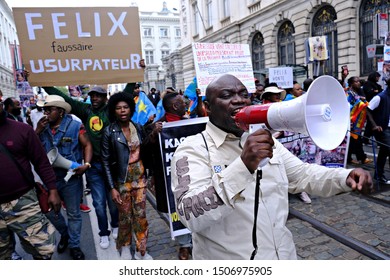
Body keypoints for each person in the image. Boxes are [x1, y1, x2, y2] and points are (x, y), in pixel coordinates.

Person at [170, 74, 373, 260]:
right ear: (207, 107)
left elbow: (303, 175)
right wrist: (243, 167)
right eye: (226, 95)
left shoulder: (266, 141)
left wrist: (345, 177)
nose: (239, 100)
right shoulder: (192, 150)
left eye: (244, 94)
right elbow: (190, 216)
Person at [43, 85, 120, 249]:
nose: (95, 99)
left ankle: (115, 224)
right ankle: (103, 233)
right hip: (93, 166)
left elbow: (125, 96)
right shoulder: (85, 110)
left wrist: (134, 79)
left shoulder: (111, 111)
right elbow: (65, 99)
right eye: (92, 96)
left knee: (113, 202)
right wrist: (44, 84)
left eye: (98, 96)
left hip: (111, 164)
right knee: (98, 203)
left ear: (105, 97)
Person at [0, 99, 61, 260]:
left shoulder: (22, 130)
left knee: (43, 250)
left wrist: (52, 190)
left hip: (24, 201)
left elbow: (41, 162)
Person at [35, 95, 93, 260]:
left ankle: (74, 245)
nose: (45, 113)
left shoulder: (75, 126)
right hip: (49, 177)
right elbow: (32, 147)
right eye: (44, 109)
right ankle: (65, 234)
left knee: (74, 213)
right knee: (50, 211)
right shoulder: (42, 127)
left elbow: (87, 144)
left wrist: (86, 164)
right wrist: (37, 132)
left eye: (49, 110)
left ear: (60, 111)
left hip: (71, 177)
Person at [101, 92, 153, 260]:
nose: (122, 111)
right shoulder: (109, 131)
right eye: (118, 108)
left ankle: (141, 250)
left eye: (125, 107)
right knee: (124, 218)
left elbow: (145, 150)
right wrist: (112, 187)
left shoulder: (137, 127)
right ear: (113, 110)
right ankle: (124, 247)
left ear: (131, 109)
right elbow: (106, 161)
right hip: (122, 181)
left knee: (140, 216)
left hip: (140, 179)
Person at [145, 91, 194, 260]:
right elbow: (144, 152)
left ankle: (199, 240)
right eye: (182, 102)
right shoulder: (156, 126)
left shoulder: (190, 123)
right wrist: (153, 135)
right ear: (175, 106)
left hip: (193, 176)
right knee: (177, 210)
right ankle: (184, 245)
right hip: (169, 179)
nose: (186, 105)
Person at [366, 76, 390, 184]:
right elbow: (368, 110)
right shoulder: (380, 97)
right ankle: (379, 174)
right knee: (387, 148)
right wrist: (374, 125)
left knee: (385, 151)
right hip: (382, 128)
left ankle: (378, 174)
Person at [346, 76, 372, 165]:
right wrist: (360, 103)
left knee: (354, 140)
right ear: (351, 83)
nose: (358, 83)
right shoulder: (349, 93)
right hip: (351, 121)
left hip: (359, 120)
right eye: (356, 82)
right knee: (355, 140)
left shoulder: (360, 91)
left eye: (358, 81)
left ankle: (350, 158)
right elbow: (349, 106)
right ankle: (362, 158)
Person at [362, 72, 382, 144]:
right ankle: (378, 140)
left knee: (371, 123)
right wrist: (376, 91)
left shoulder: (376, 85)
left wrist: (376, 90)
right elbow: (370, 92)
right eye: (377, 77)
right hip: (370, 105)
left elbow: (379, 91)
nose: (378, 79)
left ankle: (366, 138)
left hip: (376, 106)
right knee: (372, 122)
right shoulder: (368, 84)